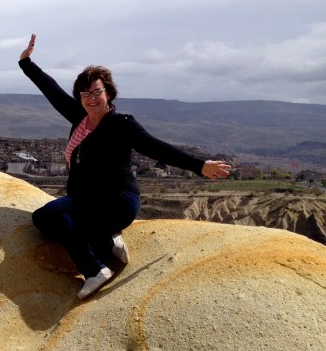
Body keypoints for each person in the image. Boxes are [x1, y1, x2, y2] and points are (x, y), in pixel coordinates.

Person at [18, 34, 231, 300]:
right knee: (59, 222)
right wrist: (27, 63)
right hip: (89, 200)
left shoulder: (121, 124)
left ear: (108, 93)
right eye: (85, 94)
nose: (91, 98)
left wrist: (200, 166)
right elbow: (52, 91)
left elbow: (155, 147)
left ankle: (94, 270)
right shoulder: (81, 119)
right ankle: (107, 241)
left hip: (117, 200)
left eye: (97, 92)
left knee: (45, 216)